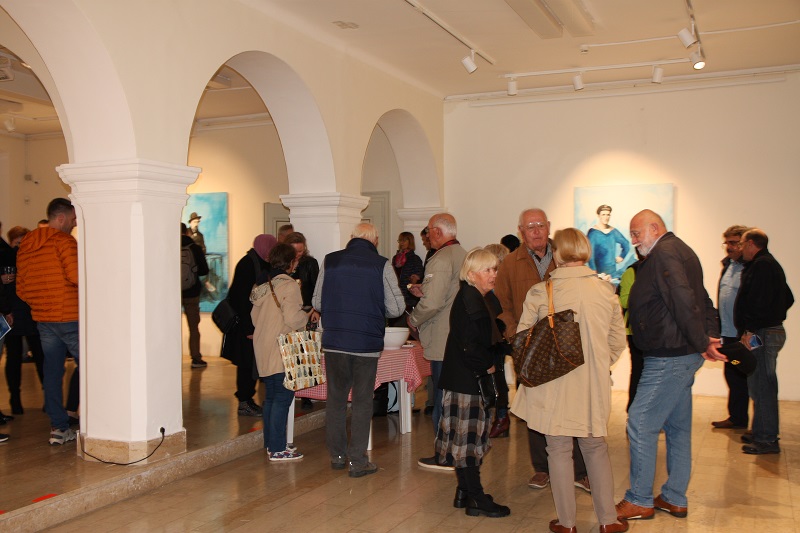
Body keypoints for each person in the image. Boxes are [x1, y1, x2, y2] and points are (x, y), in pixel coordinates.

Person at [512, 228, 628, 533]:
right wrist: (598, 364)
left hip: (552, 383)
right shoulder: (606, 291)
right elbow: (617, 341)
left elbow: (523, 339)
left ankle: (567, 523)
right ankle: (608, 520)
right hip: (592, 386)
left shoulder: (541, 292)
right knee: (595, 448)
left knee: (559, 450)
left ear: (557, 253)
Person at [616, 209, 723, 521]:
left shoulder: (664, 253)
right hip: (678, 352)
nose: (634, 241)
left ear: (654, 228)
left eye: (637, 233)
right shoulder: (680, 250)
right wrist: (707, 337)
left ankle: (639, 499)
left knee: (639, 422)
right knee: (677, 427)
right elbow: (702, 299)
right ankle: (674, 497)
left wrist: (702, 341)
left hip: (669, 355)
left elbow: (683, 299)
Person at [494, 208, 589, 492]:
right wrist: (515, 335)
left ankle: (579, 470)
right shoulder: (510, 263)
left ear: (548, 227)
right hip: (529, 346)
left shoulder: (565, 256)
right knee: (535, 408)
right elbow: (502, 304)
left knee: (571, 405)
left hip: (565, 344)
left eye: (540, 225)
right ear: (521, 231)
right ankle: (541, 468)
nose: (535, 231)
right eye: (529, 227)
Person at [312, 223, 405, 477]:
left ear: (351, 238)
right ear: (374, 241)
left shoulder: (330, 261)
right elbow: (397, 308)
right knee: (363, 402)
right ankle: (358, 461)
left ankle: (337, 456)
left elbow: (317, 301)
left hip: (334, 342)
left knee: (336, 400)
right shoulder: (381, 264)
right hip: (365, 344)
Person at [437, 248, 511, 518]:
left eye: (494, 269)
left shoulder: (476, 297)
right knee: (468, 444)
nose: (493, 274)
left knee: (467, 440)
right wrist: (488, 364)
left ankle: (465, 492)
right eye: (487, 270)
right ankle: (476, 498)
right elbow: (471, 345)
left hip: (464, 379)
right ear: (471, 274)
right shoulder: (472, 300)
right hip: (468, 381)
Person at [16, 198, 82, 445]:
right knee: (91, 367)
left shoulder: (26, 244)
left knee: (52, 373)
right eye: (73, 219)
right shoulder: (65, 242)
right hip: (69, 315)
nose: (74, 224)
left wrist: (41, 302)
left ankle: (58, 428)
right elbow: (76, 278)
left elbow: (21, 289)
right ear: (61, 218)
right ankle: (99, 424)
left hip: (43, 318)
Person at [408, 213, 467, 470]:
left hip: (442, 338)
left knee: (442, 398)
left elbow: (432, 304)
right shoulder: (463, 255)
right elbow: (448, 293)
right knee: (455, 398)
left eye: (429, 230)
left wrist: (414, 319)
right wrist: (425, 290)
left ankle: (444, 454)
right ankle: (456, 450)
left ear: (439, 232)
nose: (427, 236)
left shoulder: (441, 258)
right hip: (458, 335)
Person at [735, 228, 793, 455]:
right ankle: (760, 432)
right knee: (759, 384)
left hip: (763, 333)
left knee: (764, 386)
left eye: (741, 244)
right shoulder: (768, 264)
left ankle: (767, 439)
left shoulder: (762, 266)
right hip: (767, 331)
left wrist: (751, 329)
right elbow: (788, 298)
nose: (740, 249)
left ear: (751, 244)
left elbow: (757, 301)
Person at [250, 243, 310, 461]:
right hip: (282, 346)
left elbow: (254, 318)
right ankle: (277, 449)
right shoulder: (289, 285)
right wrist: (306, 316)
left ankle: (272, 444)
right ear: (290, 262)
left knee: (271, 397)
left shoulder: (262, 284)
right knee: (283, 398)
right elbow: (293, 318)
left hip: (263, 345)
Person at [221, 234, 275, 417]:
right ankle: (244, 402)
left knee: (252, 364)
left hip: (254, 324)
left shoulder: (260, 262)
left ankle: (247, 400)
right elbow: (242, 300)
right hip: (246, 326)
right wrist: (249, 329)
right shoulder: (247, 264)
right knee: (246, 365)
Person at [1, 226, 45, 415]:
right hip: (13, 312)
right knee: (14, 357)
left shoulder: (30, 257)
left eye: (22, 241)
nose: (19, 246)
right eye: (17, 242)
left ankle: (46, 397)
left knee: (39, 355)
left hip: (29, 311)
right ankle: (15, 398)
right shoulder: (9, 257)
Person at [711, 225, 750, 430]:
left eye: (734, 243)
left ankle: (759, 426)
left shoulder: (751, 268)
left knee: (750, 376)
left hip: (745, 334)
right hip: (728, 333)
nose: (729, 247)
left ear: (745, 244)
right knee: (733, 374)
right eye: (727, 243)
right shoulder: (727, 266)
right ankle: (737, 418)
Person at [482, 243, 511, 438]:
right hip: (499, 337)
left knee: (496, 379)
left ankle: (501, 418)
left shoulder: (497, 285)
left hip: (496, 339)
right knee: (498, 378)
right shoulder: (501, 283)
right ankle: (501, 418)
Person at [181, 223, 210, 368]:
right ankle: (196, 358)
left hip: (173, 294)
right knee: (193, 328)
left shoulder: (169, 246)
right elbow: (204, 270)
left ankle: (169, 356)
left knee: (170, 326)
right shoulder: (194, 248)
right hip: (192, 292)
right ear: (187, 232)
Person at [618, 250, 643, 412]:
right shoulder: (631, 271)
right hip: (635, 331)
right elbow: (624, 300)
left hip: (657, 331)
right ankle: (633, 410)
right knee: (639, 371)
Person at [587, 205, 631, 280]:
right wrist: (593, 270)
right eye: (603, 214)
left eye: (608, 215)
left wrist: (622, 256)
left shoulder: (613, 231)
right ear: (599, 216)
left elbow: (626, 244)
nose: (606, 217)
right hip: (598, 272)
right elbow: (590, 253)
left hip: (612, 273)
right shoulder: (593, 233)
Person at [390, 231, 423, 325]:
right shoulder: (395, 258)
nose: (401, 243)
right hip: (395, 296)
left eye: (404, 240)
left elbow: (417, 277)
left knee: (406, 325)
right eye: (400, 240)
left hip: (408, 297)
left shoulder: (415, 259)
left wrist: (410, 287)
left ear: (410, 241)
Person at [283, 232, 319, 310]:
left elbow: (317, 290)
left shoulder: (310, 263)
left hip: (306, 308)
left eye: (300, 251)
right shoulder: (280, 263)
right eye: (293, 251)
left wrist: (315, 310)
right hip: (285, 308)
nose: (296, 254)